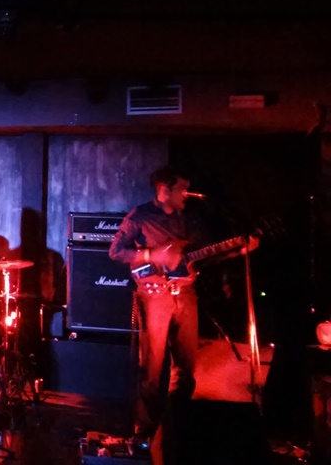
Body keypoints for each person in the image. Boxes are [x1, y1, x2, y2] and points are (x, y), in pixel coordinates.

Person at [108, 166, 258, 463]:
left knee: (186, 367)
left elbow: (205, 255)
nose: (187, 194)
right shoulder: (140, 216)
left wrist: (238, 250)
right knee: (153, 368)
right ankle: (145, 432)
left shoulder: (191, 219)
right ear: (164, 189)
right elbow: (116, 251)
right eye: (182, 189)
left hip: (186, 295)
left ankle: (176, 425)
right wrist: (152, 255)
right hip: (155, 295)